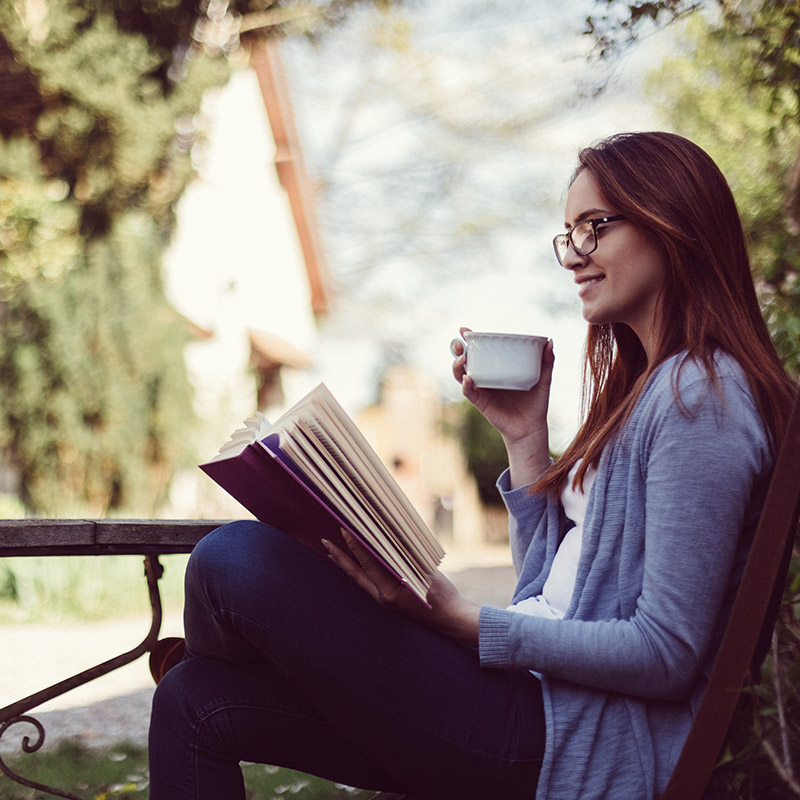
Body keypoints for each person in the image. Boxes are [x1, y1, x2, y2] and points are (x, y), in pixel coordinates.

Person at [148, 131, 795, 800]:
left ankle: (263, 649)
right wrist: (525, 438)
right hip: (530, 710)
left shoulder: (700, 398)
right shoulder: (651, 392)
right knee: (195, 699)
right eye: (568, 235)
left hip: (558, 741)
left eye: (593, 228)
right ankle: (255, 653)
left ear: (673, 220)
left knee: (235, 558)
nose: (574, 255)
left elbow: (665, 654)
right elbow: (548, 594)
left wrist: (458, 621)